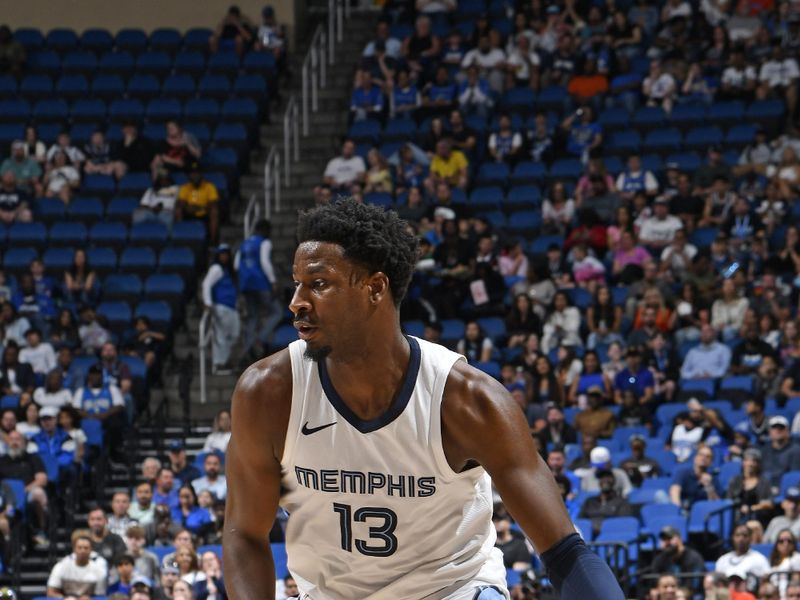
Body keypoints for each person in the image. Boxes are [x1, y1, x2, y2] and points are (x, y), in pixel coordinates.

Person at [224, 199, 624, 598]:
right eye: (296, 283)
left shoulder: (467, 400)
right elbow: (244, 536)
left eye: (319, 283)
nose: (296, 301)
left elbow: (564, 551)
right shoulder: (268, 393)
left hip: (453, 589)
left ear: (375, 288)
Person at [235, 219, 281, 362]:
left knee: (253, 317)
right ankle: (260, 339)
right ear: (266, 231)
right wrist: (273, 281)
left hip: (245, 285)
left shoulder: (244, 243)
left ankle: (246, 350)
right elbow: (264, 262)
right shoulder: (264, 242)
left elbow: (236, 265)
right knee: (277, 312)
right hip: (260, 283)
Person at [0, 429, 48, 546]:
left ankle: (39, 531)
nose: (14, 442)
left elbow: (42, 479)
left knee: (37, 494)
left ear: (24, 442)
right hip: (6, 498)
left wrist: (23, 491)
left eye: (18, 439)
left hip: (27, 493)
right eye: (11, 439)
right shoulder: (1, 460)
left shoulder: (33, 458)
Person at [202, 244, 240, 375]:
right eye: (222, 254)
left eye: (226, 254)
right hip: (220, 306)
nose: (224, 256)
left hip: (232, 307)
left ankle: (224, 361)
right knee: (220, 336)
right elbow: (206, 284)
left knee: (234, 335)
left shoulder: (228, 270)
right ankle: (219, 364)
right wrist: (208, 302)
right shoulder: (216, 268)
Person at [46, 530, 108, 597]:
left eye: (86, 548)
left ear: (91, 549)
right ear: (74, 549)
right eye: (79, 547)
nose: (82, 551)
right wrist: (64, 598)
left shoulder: (99, 568)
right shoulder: (61, 566)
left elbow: (100, 596)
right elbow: (50, 592)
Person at [578, 468, 634, 536]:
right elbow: (580, 522)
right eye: (602, 477)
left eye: (608, 477)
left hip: (610, 539)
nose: (605, 480)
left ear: (614, 480)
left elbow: (623, 524)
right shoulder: (589, 501)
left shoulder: (621, 502)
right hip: (589, 538)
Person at [176, 162, 220, 246]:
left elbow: (213, 203)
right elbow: (181, 203)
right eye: (192, 173)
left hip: (204, 213)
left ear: (201, 174)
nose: (194, 176)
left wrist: (200, 208)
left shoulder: (209, 186)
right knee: (178, 210)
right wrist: (187, 208)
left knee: (214, 211)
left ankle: (212, 242)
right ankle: (180, 237)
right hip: (189, 212)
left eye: (197, 173)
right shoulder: (185, 187)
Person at [669, 444, 721, 510]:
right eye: (701, 455)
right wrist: (678, 511)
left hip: (701, 513)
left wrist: (709, 487)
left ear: (711, 462)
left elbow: (717, 505)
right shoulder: (683, 473)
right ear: (695, 458)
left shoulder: (713, 478)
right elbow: (675, 491)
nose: (704, 458)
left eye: (708, 457)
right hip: (683, 509)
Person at [761, 416, 800, 487]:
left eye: (781, 428)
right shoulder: (764, 450)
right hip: (765, 488)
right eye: (774, 427)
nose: (778, 430)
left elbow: (795, 477)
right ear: (769, 432)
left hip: (785, 489)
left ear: (788, 431)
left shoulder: (796, 450)